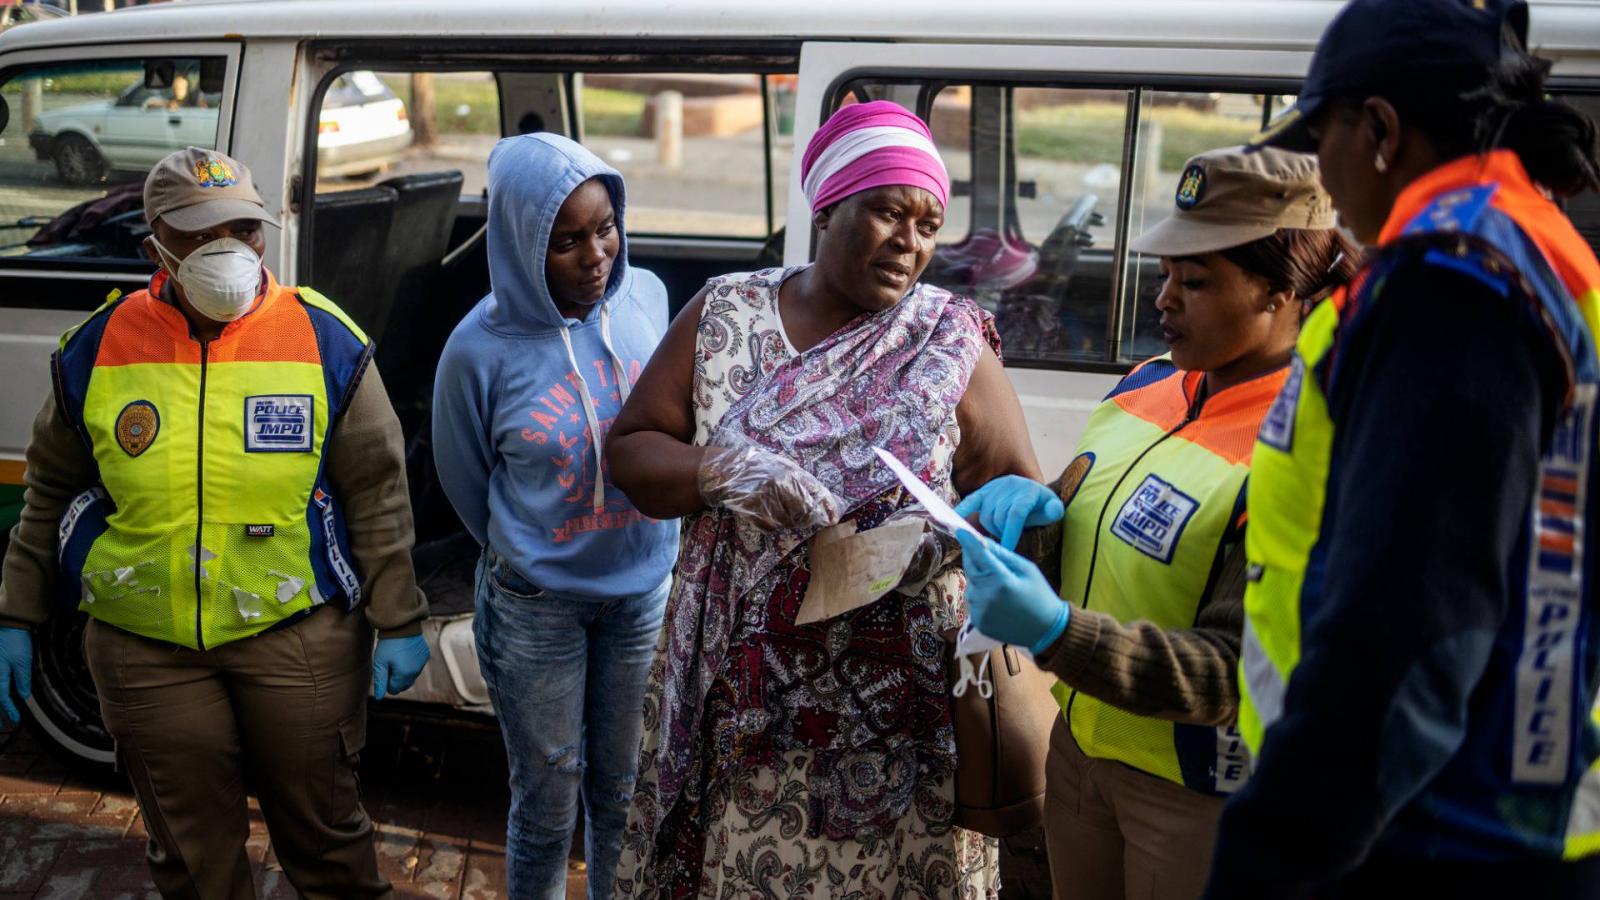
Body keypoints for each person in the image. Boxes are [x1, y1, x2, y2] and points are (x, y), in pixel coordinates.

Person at [1198, 1, 1600, 896]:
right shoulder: (1531, 247)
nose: (1323, 181)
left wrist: (1272, 854)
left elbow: (1408, 622)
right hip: (1500, 805)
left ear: (1379, 129)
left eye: (1323, 141)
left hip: (1429, 831)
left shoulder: (1452, 282)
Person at [606, 100, 1042, 898]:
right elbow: (630, 450)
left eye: (929, 223)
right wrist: (718, 472)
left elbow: (1016, 490)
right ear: (829, 206)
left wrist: (961, 533)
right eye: (888, 212)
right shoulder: (727, 314)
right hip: (741, 705)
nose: (911, 241)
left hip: (899, 714)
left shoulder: (948, 339)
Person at [0, 147, 430, 899]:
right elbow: (47, 492)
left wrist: (399, 618)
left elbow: (377, 493)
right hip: (146, 648)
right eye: (200, 234)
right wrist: (15, 614)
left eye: (244, 229)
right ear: (155, 245)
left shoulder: (324, 338)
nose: (228, 250)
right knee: (194, 862)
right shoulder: (96, 348)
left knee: (328, 847)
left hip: (297, 635)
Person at [952, 146, 1359, 900]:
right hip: (1080, 757)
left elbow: (1232, 670)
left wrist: (1051, 633)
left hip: (1194, 796)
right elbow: (1099, 546)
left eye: (1195, 281)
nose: (1163, 299)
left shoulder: (1310, 440)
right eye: (1166, 274)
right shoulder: (1148, 384)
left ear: (1282, 292)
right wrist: (1033, 529)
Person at [431, 132, 677, 900]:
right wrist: (540, 551)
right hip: (537, 609)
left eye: (605, 227)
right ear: (520, 242)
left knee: (624, 793)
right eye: (566, 240)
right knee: (545, 802)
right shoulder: (477, 349)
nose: (596, 253)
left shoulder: (651, 300)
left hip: (641, 596)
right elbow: (466, 481)